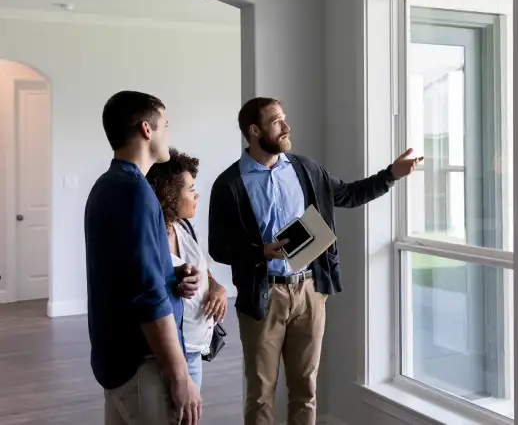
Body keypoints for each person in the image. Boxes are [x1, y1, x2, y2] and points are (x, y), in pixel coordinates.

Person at [208, 97, 422, 425]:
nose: (287, 127)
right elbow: (218, 247)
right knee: (261, 394)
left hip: (309, 292)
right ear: (254, 131)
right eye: (277, 121)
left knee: (306, 389)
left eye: (285, 119)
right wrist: (260, 252)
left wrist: (391, 174)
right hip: (263, 296)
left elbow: (348, 194)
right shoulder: (230, 183)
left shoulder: (306, 169)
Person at [85, 91, 203, 425]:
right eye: (166, 124)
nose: (169, 132)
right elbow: (147, 295)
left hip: (116, 363)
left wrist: (171, 275)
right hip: (144, 365)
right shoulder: (136, 192)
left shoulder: (106, 185)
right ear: (147, 130)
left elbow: (125, 274)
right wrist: (180, 376)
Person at [147, 148, 228, 388]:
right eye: (190, 190)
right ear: (170, 194)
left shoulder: (186, 228)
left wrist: (216, 287)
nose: (197, 196)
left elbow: (204, 269)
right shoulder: (151, 237)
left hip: (195, 351)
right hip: (169, 355)